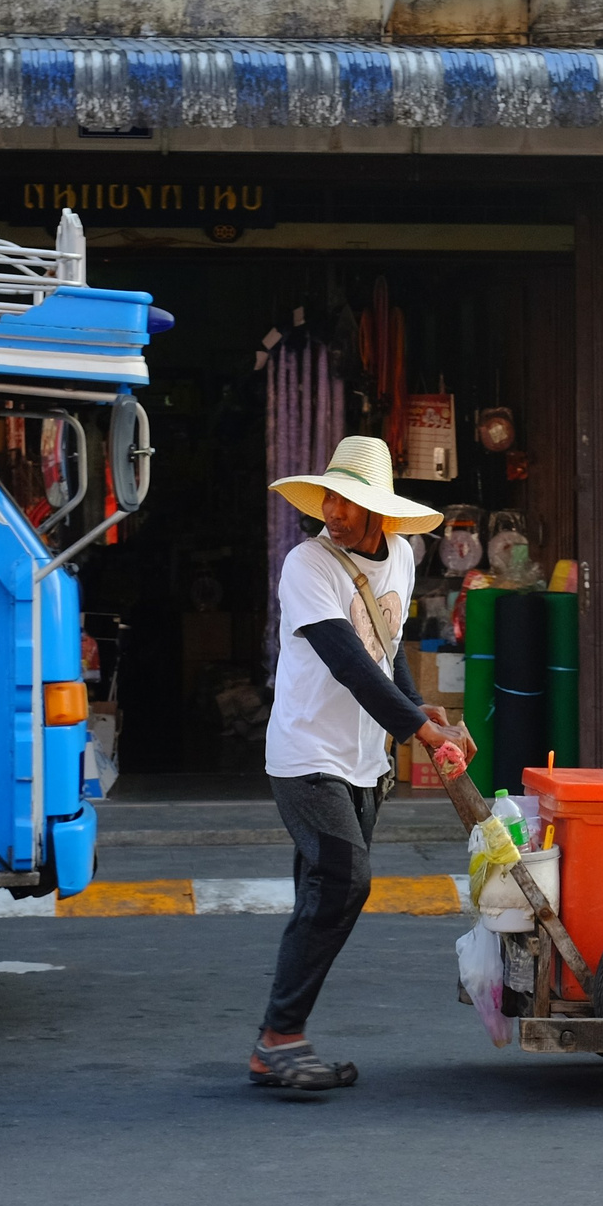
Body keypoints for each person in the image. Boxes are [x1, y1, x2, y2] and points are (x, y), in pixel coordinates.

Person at [250, 435, 471, 1091]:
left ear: (380, 512)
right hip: (305, 753)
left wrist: (416, 707)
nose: (332, 512)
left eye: (346, 502)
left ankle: (281, 1039)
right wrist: (423, 737)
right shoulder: (306, 564)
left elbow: (385, 645)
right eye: (329, 497)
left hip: (363, 762)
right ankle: (278, 1036)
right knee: (345, 878)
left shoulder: (400, 557)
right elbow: (346, 660)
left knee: (321, 894)